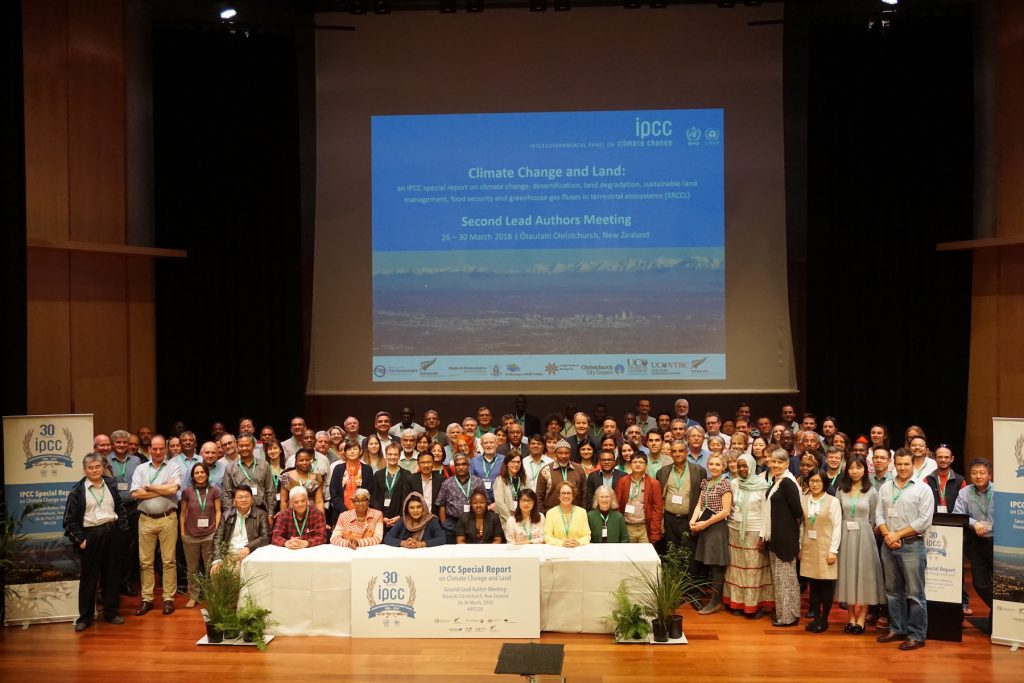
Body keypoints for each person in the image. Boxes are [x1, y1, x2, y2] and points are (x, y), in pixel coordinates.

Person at [875, 450, 935, 650]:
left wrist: (897, 535)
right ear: (894, 464)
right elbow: (879, 515)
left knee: (915, 594)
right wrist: (887, 536)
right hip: (888, 545)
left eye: (906, 464)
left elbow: (924, 521)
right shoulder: (885, 488)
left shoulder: (923, 489)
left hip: (911, 545)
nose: (902, 468)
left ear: (913, 465)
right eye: (899, 464)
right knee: (892, 591)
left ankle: (916, 635)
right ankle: (897, 628)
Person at [63, 453, 130, 631]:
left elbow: (121, 509)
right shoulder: (77, 491)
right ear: (85, 470)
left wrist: (121, 531)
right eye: (90, 468)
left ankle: (111, 612)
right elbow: (69, 521)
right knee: (89, 578)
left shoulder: (111, 485)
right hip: (91, 536)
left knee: (112, 575)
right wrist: (81, 540)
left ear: (102, 467)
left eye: (97, 467)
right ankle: (84, 617)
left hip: (112, 533)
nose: (94, 470)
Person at [129, 435, 182, 616]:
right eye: (155, 449)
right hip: (145, 519)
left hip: (168, 518)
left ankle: (168, 598)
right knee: (146, 562)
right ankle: (147, 599)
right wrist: (161, 489)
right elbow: (135, 495)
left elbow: (173, 490)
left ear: (165, 449)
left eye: (161, 448)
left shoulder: (173, 467)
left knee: (168, 561)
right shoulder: (140, 469)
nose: (158, 452)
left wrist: (149, 488)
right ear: (149, 449)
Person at [835, 453, 886, 634]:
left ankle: (862, 618)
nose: (855, 471)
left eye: (859, 467)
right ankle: (850, 618)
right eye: (851, 467)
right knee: (848, 575)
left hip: (865, 536)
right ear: (846, 469)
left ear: (865, 470)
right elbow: (837, 515)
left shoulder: (871, 491)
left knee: (865, 576)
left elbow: (874, 518)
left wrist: (867, 532)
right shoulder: (841, 489)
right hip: (845, 535)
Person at [723, 453, 772, 619]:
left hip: (754, 531)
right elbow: (731, 507)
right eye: (739, 466)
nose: (742, 469)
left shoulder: (763, 486)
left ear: (751, 467)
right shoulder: (734, 484)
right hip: (734, 530)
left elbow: (767, 514)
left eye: (745, 466)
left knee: (752, 570)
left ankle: (753, 605)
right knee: (736, 569)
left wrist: (763, 536)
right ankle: (737, 603)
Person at [763, 448, 803, 627]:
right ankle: (787, 613)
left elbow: (797, 511)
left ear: (787, 464)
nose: (776, 465)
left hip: (785, 537)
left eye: (780, 462)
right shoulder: (777, 481)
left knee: (785, 578)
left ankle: (787, 617)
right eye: (773, 462)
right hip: (776, 535)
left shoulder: (787, 482)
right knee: (782, 578)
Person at [799, 470, 842, 632]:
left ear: (824, 483)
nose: (815, 484)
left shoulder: (833, 501)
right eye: (812, 481)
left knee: (825, 585)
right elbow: (802, 525)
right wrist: (800, 546)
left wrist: (833, 551)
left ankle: (824, 620)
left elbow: (837, 527)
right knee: (813, 586)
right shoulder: (803, 499)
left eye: (818, 481)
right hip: (809, 547)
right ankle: (816, 617)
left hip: (826, 547)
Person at [953, 457, 994, 627]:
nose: (978, 476)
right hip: (976, 543)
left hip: (998, 542)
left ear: (989, 475)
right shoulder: (965, 492)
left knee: (1004, 583)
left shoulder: (1000, 491)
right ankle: (1000, 609)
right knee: (980, 583)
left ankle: (999, 618)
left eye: (982, 473)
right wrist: (973, 523)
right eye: (974, 473)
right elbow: (957, 514)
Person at [691, 453, 732, 614]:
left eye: (717, 464)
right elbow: (699, 505)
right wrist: (693, 521)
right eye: (712, 464)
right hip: (704, 527)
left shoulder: (725, 484)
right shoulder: (705, 482)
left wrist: (705, 523)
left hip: (717, 528)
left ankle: (716, 602)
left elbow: (725, 511)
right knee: (708, 564)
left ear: (723, 467)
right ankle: (713, 600)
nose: (714, 467)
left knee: (717, 566)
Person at [179, 462, 221, 608]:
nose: (200, 475)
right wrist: (182, 532)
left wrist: (217, 531)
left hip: (210, 534)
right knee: (193, 568)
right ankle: (194, 595)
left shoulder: (215, 491)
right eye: (196, 473)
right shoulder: (187, 492)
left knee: (212, 567)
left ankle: (214, 595)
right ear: (192, 476)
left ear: (207, 474)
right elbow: (183, 513)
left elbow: (218, 511)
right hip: (191, 535)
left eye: (202, 472)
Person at [106, 430, 143, 595]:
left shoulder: (136, 461)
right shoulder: (106, 460)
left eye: (124, 442)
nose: (121, 445)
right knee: (115, 547)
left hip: (132, 508)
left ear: (129, 444)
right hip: (112, 509)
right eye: (118, 442)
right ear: (113, 444)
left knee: (131, 547)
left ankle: (126, 582)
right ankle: (113, 583)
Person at [657, 439, 706, 561]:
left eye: (681, 451)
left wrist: (697, 521)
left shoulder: (698, 471)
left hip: (688, 520)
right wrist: (661, 521)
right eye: (674, 451)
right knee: (670, 553)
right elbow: (660, 499)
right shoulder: (663, 472)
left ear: (687, 452)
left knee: (689, 555)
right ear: (670, 453)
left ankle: (688, 580)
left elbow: (703, 499)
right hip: (669, 520)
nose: (677, 454)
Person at [211, 485, 271, 570]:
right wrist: (217, 559)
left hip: (252, 553)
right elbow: (217, 538)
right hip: (229, 552)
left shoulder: (261, 515)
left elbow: (266, 537)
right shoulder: (226, 516)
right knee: (215, 572)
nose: (244, 499)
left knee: (236, 571)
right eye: (240, 497)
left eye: (247, 496)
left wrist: (249, 547)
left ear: (252, 499)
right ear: (234, 500)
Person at [221, 434, 276, 523]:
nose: (244, 448)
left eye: (247, 445)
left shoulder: (264, 465)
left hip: (261, 510)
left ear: (253, 445)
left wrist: (270, 514)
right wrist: (230, 514)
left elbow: (270, 491)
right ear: (237, 446)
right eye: (241, 446)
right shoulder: (230, 468)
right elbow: (226, 494)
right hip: (238, 513)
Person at [614, 451, 663, 544]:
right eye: (635, 462)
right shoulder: (622, 482)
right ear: (630, 464)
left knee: (645, 557)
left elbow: (657, 510)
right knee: (628, 556)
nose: (638, 464)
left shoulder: (654, 484)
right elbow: (617, 506)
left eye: (641, 462)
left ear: (646, 465)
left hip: (644, 527)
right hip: (627, 527)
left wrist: (654, 532)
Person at [435, 453, 486, 544]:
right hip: (452, 524)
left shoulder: (478, 481)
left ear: (468, 465)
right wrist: (444, 524)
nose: (461, 467)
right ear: (454, 466)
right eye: (458, 465)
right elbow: (441, 504)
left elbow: (485, 502)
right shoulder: (447, 483)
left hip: (473, 522)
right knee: (452, 553)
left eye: (464, 464)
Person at [328, 441, 375, 527]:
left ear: (360, 451)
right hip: (340, 513)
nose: (352, 452)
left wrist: (359, 510)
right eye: (349, 449)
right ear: (345, 453)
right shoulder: (338, 469)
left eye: (355, 449)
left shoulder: (367, 469)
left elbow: (370, 491)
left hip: (362, 513)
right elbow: (333, 492)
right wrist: (345, 511)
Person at [536, 439, 587, 512]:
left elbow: (584, 495)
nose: (563, 456)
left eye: (566, 453)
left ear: (570, 453)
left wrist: (583, 512)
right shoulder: (546, 470)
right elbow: (539, 496)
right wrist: (541, 515)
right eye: (560, 453)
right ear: (555, 453)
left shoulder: (579, 469)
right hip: (551, 515)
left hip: (575, 514)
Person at [370, 443, 412, 530]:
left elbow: (407, 499)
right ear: (386, 455)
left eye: (395, 454)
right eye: (390, 454)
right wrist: (382, 517)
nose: (392, 457)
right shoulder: (378, 475)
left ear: (400, 456)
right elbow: (374, 498)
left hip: (400, 519)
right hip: (380, 518)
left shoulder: (407, 475)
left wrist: (399, 516)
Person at [544, 481, 591, 547]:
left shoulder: (581, 512)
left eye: (568, 493)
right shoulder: (551, 513)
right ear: (558, 496)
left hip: (577, 550)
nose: (566, 496)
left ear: (573, 496)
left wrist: (578, 542)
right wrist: (561, 543)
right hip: (557, 550)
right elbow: (547, 537)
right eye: (563, 493)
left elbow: (587, 536)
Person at [280, 448, 326, 514]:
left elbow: (319, 502)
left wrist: (322, 520)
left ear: (311, 461)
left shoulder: (317, 478)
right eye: (301, 460)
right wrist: (284, 518)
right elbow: (284, 501)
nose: (304, 462)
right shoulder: (286, 477)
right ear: (296, 461)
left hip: (312, 513)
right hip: (292, 513)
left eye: (307, 460)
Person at [470, 432, 504, 503]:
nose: (488, 445)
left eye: (491, 442)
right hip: (479, 502)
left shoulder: (504, 460)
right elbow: (470, 483)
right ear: (482, 445)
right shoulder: (474, 461)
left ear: (497, 444)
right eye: (485, 443)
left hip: (500, 501)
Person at [493, 454, 527, 525]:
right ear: (507, 463)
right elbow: (499, 503)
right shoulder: (500, 479)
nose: (516, 464)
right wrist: (511, 519)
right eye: (513, 462)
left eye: (518, 462)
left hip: (523, 516)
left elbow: (529, 497)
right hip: (505, 519)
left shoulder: (524, 478)